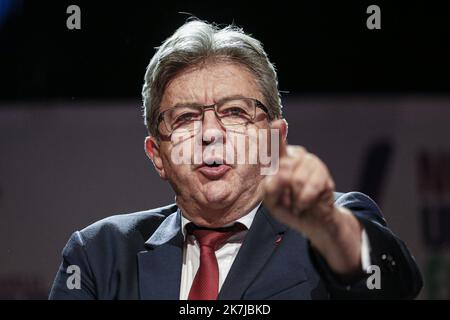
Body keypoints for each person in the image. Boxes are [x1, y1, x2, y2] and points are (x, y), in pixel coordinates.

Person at [49, 19, 422, 300]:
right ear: (157, 155)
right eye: (185, 118)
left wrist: (328, 226)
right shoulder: (99, 255)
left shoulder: (331, 225)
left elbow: (393, 285)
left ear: (275, 141)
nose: (210, 132)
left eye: (235, 112)